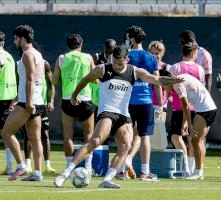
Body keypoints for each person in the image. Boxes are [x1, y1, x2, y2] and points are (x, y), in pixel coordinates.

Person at [54, 45, 182, 189]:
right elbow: (84, 80)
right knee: (95, 141)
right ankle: (64, 174)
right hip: (107, 113)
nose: (116, 66)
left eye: (120, 63)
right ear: (111, 59)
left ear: (127, 60)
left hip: (123, 116)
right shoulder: (102, 69)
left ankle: (107, 180)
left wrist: (173, 80)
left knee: (125, 146)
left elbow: (157, 80)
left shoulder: (134, 71)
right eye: (114, 62)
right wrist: (74, 96)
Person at [2, 25, 45, 181]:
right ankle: (38, 173)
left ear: (22, 38)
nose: (15, 41)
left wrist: (26, 102)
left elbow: (30, 79)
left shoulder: (27, 54)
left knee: (7, 132)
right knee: (35, 139)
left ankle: (21, 167)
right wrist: (18, 99)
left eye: (16, 38)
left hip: (29, 102)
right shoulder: (37, 54)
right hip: (37, 100)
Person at [121, 25, 163, 181]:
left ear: (131, 38)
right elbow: (157, 81)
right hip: (146, 101)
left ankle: (120, 170)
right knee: (145, 136)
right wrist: (158, 104)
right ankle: (145, 172)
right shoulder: (151, 57)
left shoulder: (125, 56)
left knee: (125, 135)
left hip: (127, 102)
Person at [160, 69, 217, 180]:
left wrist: (190, 124)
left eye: (162, 84)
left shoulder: (177, 83)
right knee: (198, 141)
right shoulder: (181, 78)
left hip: (204, 109)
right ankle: (198, 171)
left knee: (195, 140)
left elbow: (185, 105)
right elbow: (187, 105)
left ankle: (198, 172)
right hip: (209, 108)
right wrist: (186, 122)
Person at [52, 34, 95, 172]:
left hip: (68, 100)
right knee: (89, 135)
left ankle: (69, 166)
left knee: (67, 135)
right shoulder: (88, 57)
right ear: (80, 45)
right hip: (86, 100)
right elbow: (95, 80)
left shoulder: (62, 58)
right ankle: (88, 167)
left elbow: (54, 81)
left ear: (68, 45)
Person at [168, 42, 205, 176]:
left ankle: (186, 168)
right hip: (196, 107)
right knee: (193, 139)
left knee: (175, 137)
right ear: (194, 54)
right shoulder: (200, 69)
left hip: (180, 106)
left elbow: (171, 86)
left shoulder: (175, 67)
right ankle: (193, 168)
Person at [178, 30, 212, 174]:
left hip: (200, 102)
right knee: (192, 137)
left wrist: (205, 99)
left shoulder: (203, 54)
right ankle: (193, 169)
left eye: (181, 41)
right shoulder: (185, 59)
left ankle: (197, 169)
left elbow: (208, 79)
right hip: (190, 99)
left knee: (197, 138)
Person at [23, 42, 56, 174]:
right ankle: (27, 164)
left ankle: (47, 165)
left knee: (44, 135)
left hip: (40, 103)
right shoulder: (24, 64)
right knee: (28, 135)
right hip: (30, 102)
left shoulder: (45, 64)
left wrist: (51, 100)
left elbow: (51, 84)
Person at [0, 31, 17, 176]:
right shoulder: (9, 56)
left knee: (6, 133)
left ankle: (11, 165)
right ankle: (10, 165)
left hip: (1, 98)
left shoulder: (1, 57)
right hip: (8, 98)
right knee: (5, 132)